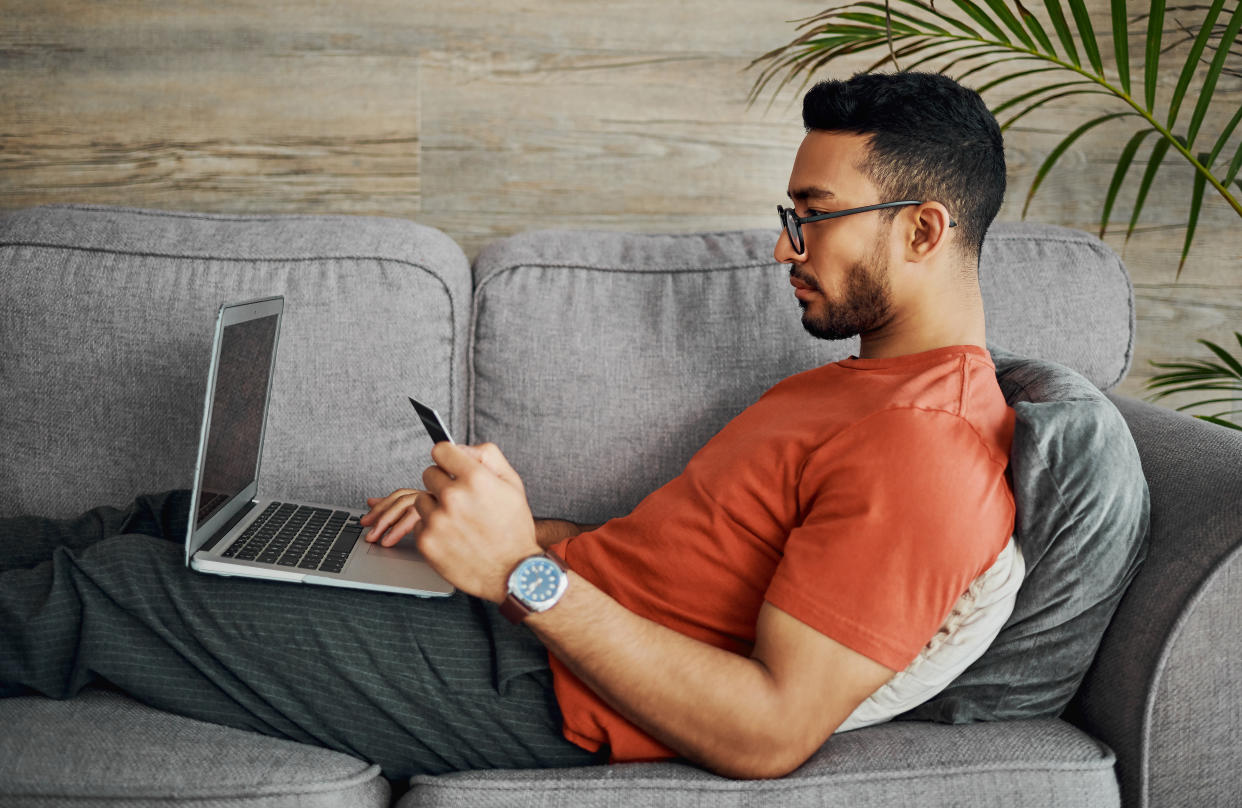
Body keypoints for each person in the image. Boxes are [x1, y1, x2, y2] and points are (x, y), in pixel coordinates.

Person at [0, 70, 1014, 781]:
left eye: (812, 215)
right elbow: (670, 562)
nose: (786, 248)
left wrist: (520, 575)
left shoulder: (929, 451)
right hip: (525, 614)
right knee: (178, 516)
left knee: (113, 591)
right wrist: (500, 532)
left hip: (539, 688)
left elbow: (769, 731)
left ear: (922, 229)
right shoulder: (845, 390)